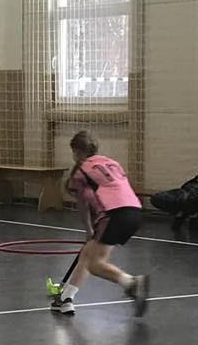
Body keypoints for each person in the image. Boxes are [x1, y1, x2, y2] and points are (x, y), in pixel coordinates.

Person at [51, 130, 148, 317]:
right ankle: (66, 298)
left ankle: (131, 283)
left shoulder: (81, 171)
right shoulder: (112, 163)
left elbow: (83, 206)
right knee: (88, 254)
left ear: (76, 151)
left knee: (94, 264)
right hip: (134, 211)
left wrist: (88, 229)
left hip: (113, 214)